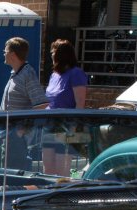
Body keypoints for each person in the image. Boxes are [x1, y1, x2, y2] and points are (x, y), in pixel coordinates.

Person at [42, 39, 87, 176]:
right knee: (48, 168)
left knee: (62, 169)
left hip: (67, 126)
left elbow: (80, 103)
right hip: (49, 124)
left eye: (53, 52)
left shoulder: (76, 73)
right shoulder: (54, 75)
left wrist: (73, 129)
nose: (51, 55)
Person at [1, 37, 47, 111]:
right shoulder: (15, 73)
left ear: (12, 54)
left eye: (5, 52)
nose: (4, 54)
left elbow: (42, 105)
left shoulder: (28, 74)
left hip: (19, 123)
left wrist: (26, 121)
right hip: (7, 122)